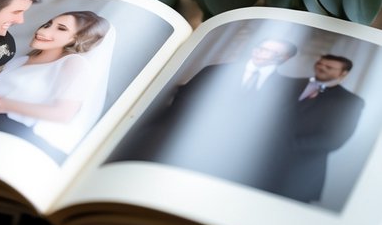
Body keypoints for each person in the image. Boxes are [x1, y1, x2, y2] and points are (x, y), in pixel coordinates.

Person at [107, 36, 301, 192]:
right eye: (261, 48)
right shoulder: (215, 71)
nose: (261, 53)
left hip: (238, 156)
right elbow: (183, 101)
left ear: (284, 58)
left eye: (271, 52)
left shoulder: (290, 87)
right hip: (190, 138)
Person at [0, 11, 114, 162]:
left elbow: (63, 114)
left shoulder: (74, 63)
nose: (42, 31)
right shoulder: (21, 60)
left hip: (8, 133)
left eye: (61, 29)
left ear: (77, 38)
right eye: (48, 24)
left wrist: (0, 104)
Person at [277, 54, 365, 204]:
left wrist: (282, 145)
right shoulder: (288, 83)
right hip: (258, 163)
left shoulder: (350, 101)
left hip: (299, 172)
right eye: (319, 63)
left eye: (329, 67)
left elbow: (334, 139)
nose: (321, 68)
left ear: (344, 73)